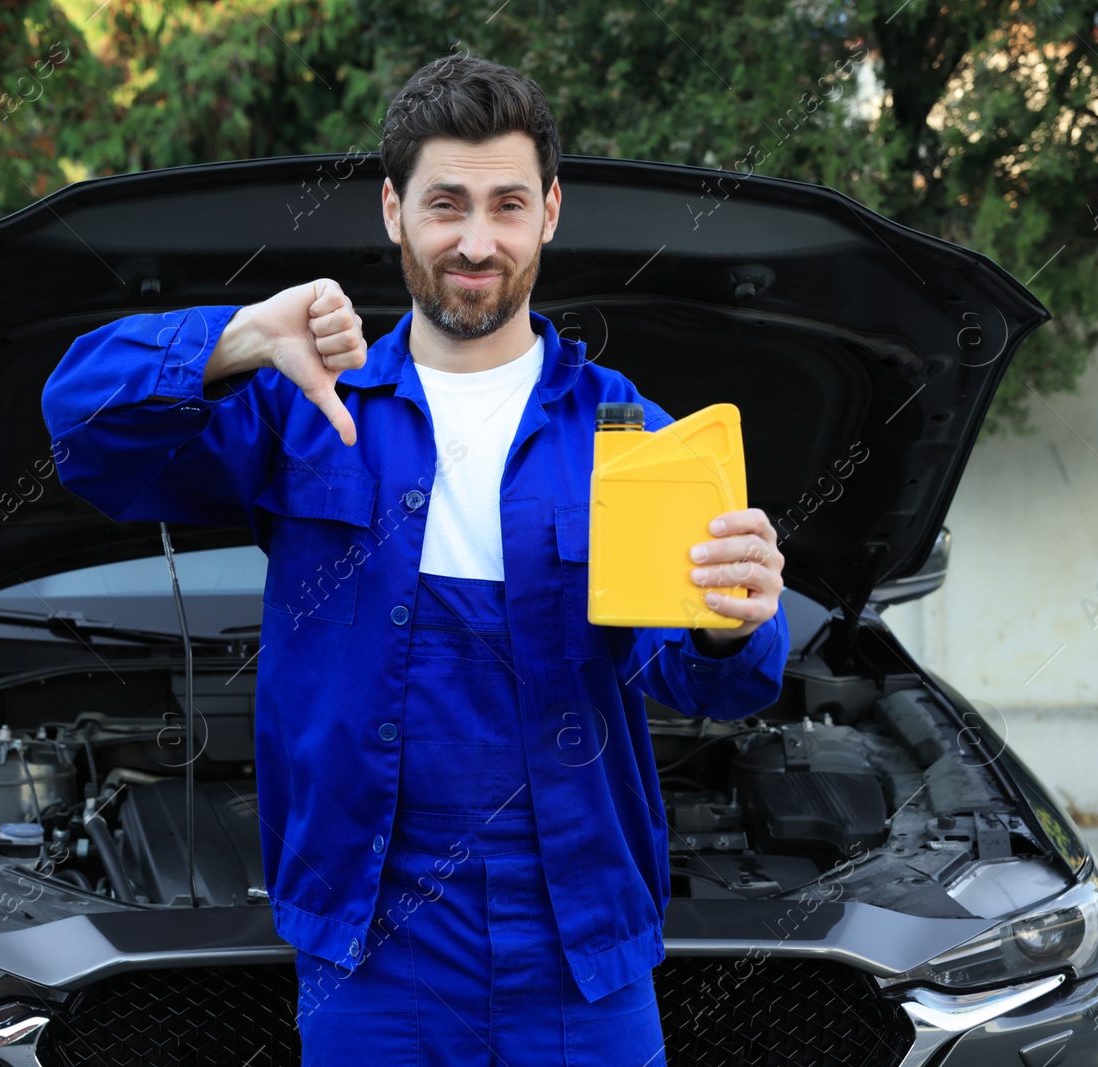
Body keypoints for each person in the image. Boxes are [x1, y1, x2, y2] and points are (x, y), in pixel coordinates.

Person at [41, 52, 790, 1067]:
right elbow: (79, 429)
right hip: (373, 944)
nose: (476, 240)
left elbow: (725, 677)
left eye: (506, 204)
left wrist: (727, 618)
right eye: (445, 203)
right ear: (392, 210)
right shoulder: (307, 404)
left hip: (581, 947)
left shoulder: (634, 438)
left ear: (550, 211)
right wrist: (238, 337)